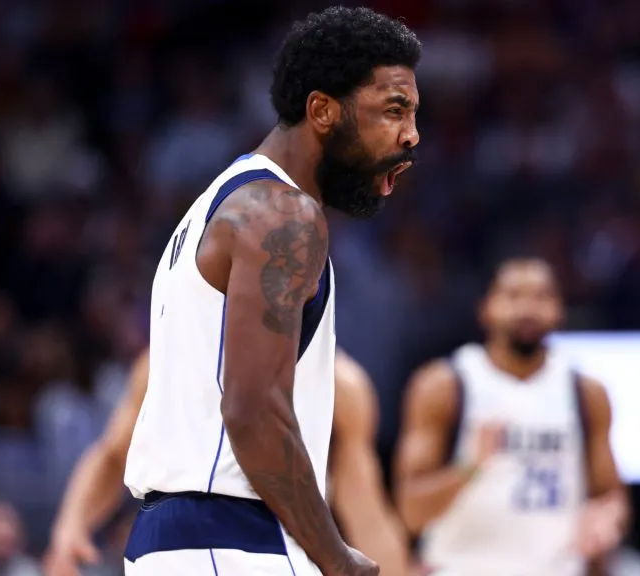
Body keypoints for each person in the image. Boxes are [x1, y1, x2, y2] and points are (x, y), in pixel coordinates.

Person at [121, 6, 420, 575]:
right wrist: (336, 556)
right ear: (323, 110)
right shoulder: (283, 214)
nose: (411, 134)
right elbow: (254, 410)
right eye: (393, 110)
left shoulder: (222, 203)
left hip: (184, 537)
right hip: (232, 537)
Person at [44, 348, 411, 576]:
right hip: (184, 549)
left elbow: (367, 512)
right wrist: (69, 530)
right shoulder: (171, 361)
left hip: (281, 556)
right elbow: (112, 456)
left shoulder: (338, 385)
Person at [394, 257, 629, 576]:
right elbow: (410, 512)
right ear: (486, 308)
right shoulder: (445, 385)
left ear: (560, 310)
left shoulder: (586, 393)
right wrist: (470, 468)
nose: (528, 308)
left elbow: (611, 496)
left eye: (541, 297)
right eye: (513, 296)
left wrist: (607, 519)